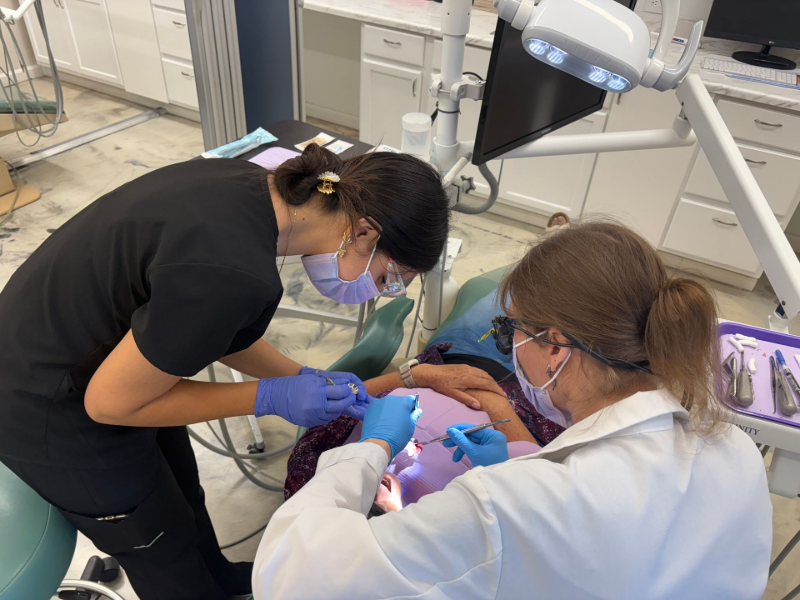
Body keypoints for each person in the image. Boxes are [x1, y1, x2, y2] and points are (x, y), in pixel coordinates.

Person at [0, 143, 501, 600]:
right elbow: (113, 403)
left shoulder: (252, 188)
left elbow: (210, 327)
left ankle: (218, 577)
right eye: (391, 278)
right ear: (365, 232)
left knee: (181, 494)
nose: (381, 290)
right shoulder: (233, 271)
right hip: (45, 406)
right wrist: (271, 395)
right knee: (159, 541)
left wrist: (302, 374)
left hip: (93, 352)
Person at [252, 221, 773, 600]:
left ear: (556, 347)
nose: (508, 343)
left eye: (512, 330)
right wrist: (518, 457)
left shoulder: (501, 506)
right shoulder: (735, 452)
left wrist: (369, 449)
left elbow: (293, 574)